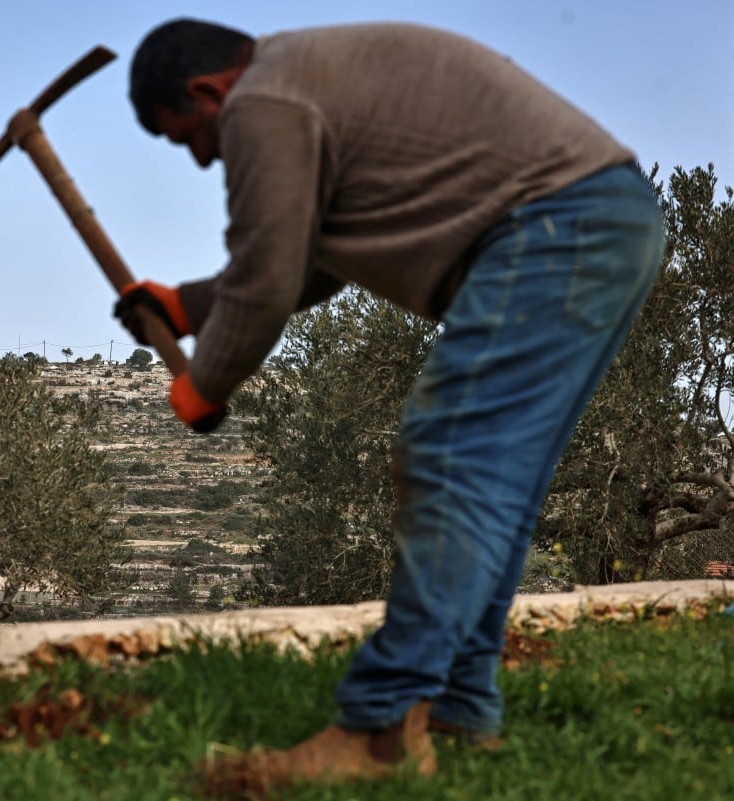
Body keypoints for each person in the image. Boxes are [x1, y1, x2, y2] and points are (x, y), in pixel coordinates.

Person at [114, 17, 665, 793]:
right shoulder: (306, 78)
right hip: (604, 217)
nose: (203, 157)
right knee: (493, 486)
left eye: (186, 136)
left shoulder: (262, 99)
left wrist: (205, 385)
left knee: (447, 457)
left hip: (552, 225)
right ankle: (458, 708)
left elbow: (268, 281)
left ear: (209, 91)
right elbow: (312, 263)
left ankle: (378, 728)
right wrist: (186, 305)